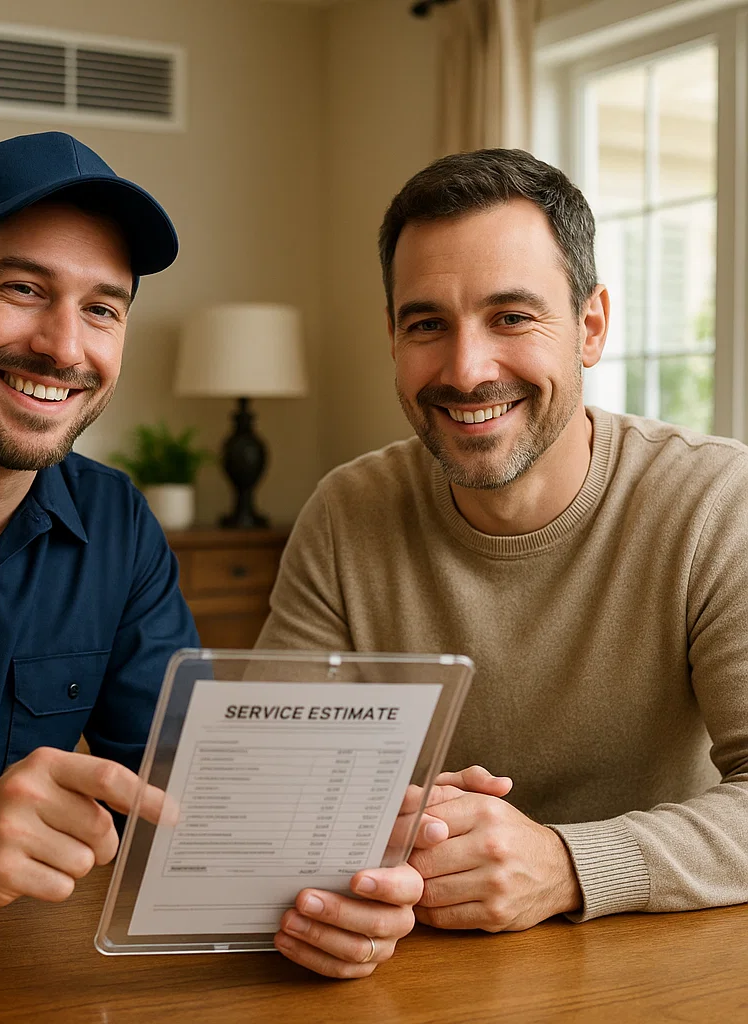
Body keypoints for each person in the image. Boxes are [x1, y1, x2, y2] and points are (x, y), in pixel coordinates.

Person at [0, 132, 419, 977]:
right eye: (23, 288)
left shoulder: (118, 526)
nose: (63, 347)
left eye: (102, 308)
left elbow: (176, 796)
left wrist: (355, 850)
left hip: (17, 981)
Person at [258, 148, 748, 934]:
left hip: (657, 958)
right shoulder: (347, 512)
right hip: (415, 955)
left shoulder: (717, 501)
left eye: (512, 317)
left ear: (590, 327)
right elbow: (271, 785)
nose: (465, 369)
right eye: (427, 324)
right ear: (392, 338)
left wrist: (564, 863)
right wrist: (348, 880)